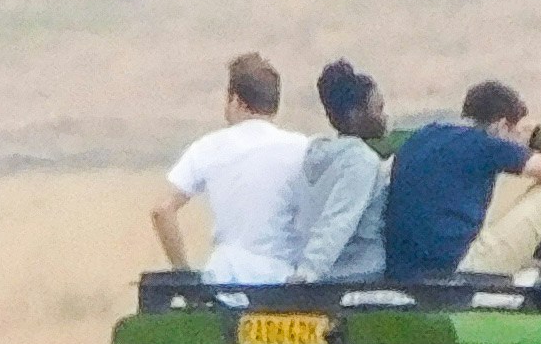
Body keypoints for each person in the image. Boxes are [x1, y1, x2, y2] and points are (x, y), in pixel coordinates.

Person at [383, 80, 541, 287]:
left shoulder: (425, 135)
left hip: (405, 271)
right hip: (457, 271)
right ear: (502, 126)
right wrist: (527, 149)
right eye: (517, 131)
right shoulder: (486, 144)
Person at [150, 53, 307, 284]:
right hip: (285, 285)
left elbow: (162, 212)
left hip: (226, 282)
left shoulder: (208, 147)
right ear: (274, 105)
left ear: (236, 100)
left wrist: (184, 276)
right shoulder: (303, 148)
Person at [283, 59, 393, 283]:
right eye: (378, 109)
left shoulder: (315, 157)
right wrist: (308, 272)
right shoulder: (360, 161)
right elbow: (338, 220)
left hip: (322, 277)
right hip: (357, 279)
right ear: (356, 114)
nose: (385, 117)